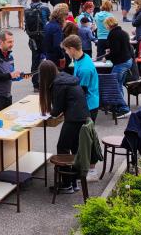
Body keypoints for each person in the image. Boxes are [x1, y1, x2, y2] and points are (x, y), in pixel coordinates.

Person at [38, 60, 89, 193]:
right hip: (83, 116)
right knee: (75, 147)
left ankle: (66, 184)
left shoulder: (58, 84)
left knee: (62, 147)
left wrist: (48, 114)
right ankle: (75, 181)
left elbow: (57, 109)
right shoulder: (64, 77)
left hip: (73, 119)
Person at [0, 30, 25, 112]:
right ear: (1, 41)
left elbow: (10, 75)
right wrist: (10, 75)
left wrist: (20, 76)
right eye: (9, 42)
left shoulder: (10, 56)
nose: (12, 44)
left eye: (12, 41)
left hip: (7, 96)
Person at [61, 34, 100, 121]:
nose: (66, 52)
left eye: (66, 50)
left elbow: (81, 92)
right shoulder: (83, 57)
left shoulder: (84, 69)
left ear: (72, 49)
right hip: (86, 103)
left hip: (88, 106)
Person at [102, 16, 132, 116]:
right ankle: (117, 105)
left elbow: (115, 51)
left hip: (121, 62)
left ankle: (124, 108)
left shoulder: (113, 34)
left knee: (114, 85)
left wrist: (106, 57)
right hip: (127, 60)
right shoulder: (123, 32)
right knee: (118, 85)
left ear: (108, 25)